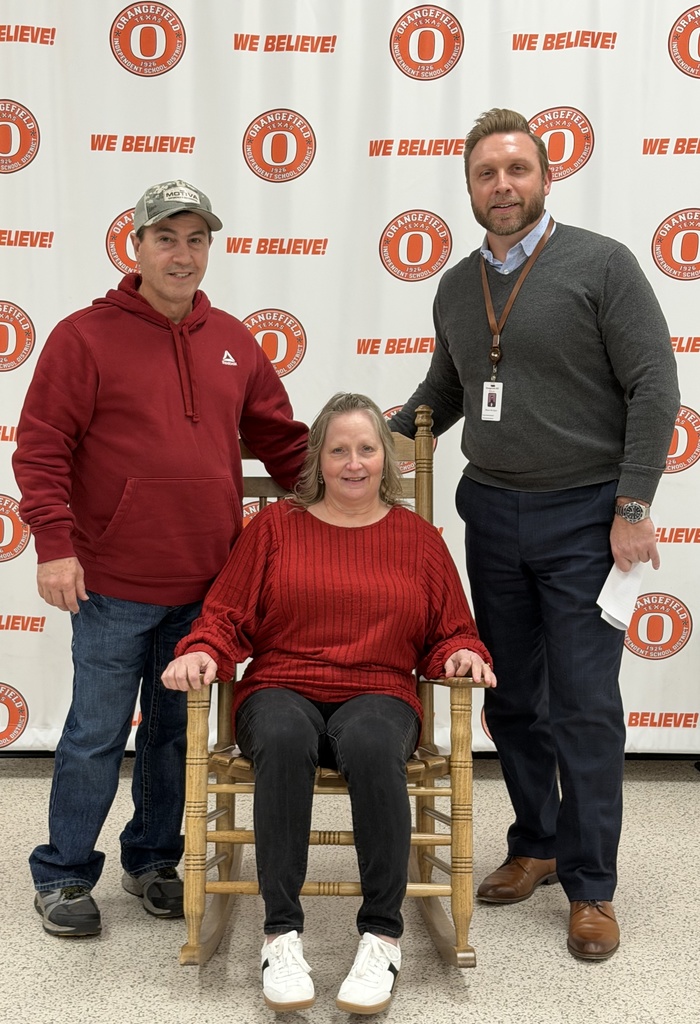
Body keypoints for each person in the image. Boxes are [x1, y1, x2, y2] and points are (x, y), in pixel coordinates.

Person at [391, 109, 680, 961]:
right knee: (513, 697)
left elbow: (654, 389)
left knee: (585, 707)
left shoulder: (602, 265)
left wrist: (633, 508)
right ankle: (538, 843)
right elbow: (443, 392)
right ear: (471, 187)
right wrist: (367, 436)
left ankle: (592, 887)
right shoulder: (456, 285)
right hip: (494, 515)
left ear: (545, 178)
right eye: (487, 173)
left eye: (518, 170)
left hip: (588, 517)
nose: (503, 186)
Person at [12, 179, 308, 938]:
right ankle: (66, 873)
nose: (183, 254)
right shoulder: (84, 337)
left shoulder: (235, 341)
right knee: (94, 733)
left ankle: (153, 860)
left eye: (196, 239)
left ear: (211, 247)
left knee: (175, 738)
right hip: (110, 583)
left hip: (207, 591)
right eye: (166, 238)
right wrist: (55, 546)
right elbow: (41, 448)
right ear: (135, 246)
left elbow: (282, 441)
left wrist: (356, 482)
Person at [162, 392, 495, 1013]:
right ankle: (280, 934)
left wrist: (461, 656)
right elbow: (225, 615)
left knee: (371, 743)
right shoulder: (273, 529)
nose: (354, 463)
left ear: (385, 461)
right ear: (318, 458)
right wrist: (203, 651)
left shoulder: (418, 540)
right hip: (280, 685)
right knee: (284, 741)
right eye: (338, 449)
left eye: (367, 449)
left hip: (379, 689)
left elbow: (452, 629)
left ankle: (381, 937)